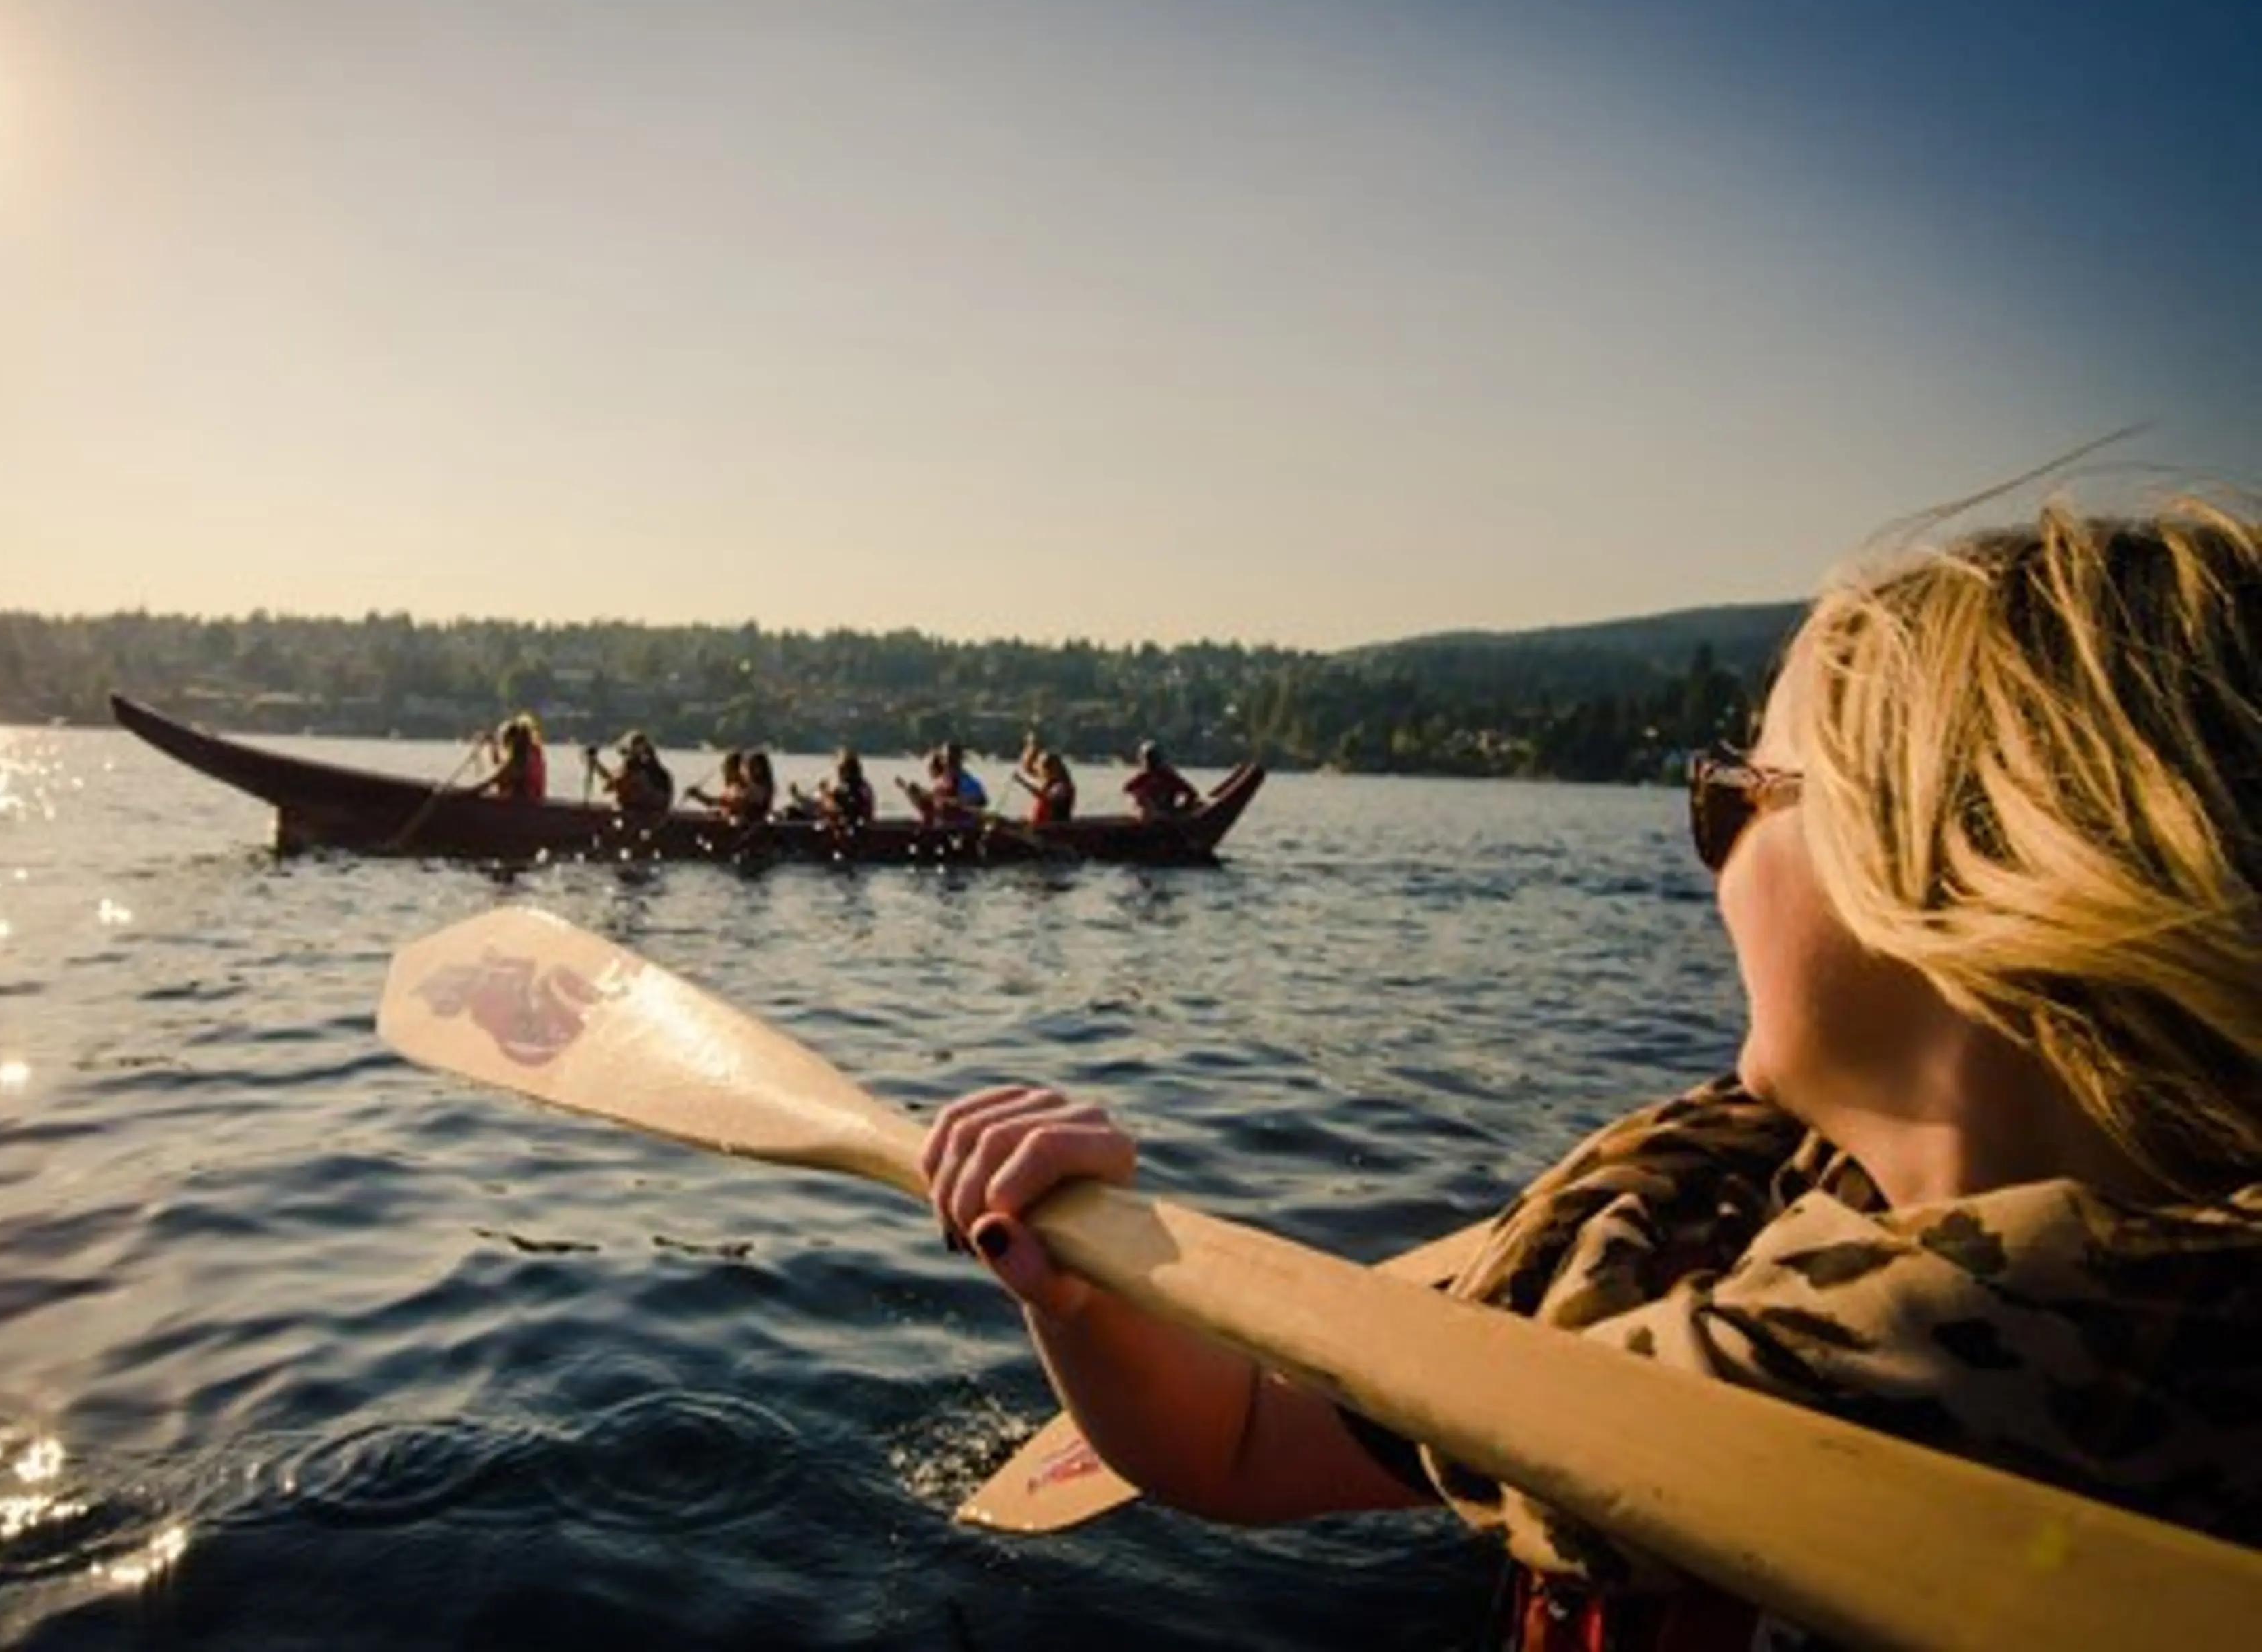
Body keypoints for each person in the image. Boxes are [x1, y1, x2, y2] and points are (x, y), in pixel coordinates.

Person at [922, 504, 2261, 1648]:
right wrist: (1082, 1280)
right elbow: (1242, 1434)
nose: (1711, 848)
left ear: (1951, 868)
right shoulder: (1680, 1224)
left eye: (1737, 794)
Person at [586, 731, 674, 817]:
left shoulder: (642, 765)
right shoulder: (640, 763)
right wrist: (596, 764)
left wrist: (597, 766)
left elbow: (614, 783)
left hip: (650, 808)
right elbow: (613, 778)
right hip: (650, 807)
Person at [790, 748, 876, 830]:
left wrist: (825, 792)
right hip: (849, 822)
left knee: (797, 812)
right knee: (795, 810)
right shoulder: (860, 786)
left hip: (850, 827)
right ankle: (801, 800)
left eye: (840, 769)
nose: (838, 773)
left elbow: (838, 808)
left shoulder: (854, 789)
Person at [475, 712, 545, 801]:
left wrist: (468, 795)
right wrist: (494, 745)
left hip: (521, 805)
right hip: (529, 804)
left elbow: (493, 780)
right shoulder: (533, 754)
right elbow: (498, 765)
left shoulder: (518, 763)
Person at [1122, 741, 1200, 817]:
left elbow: (1192, 794)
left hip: (1167, 814)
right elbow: (1127, 791)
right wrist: (1138, 803)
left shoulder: (1169, 776)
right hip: (1149, 816)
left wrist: (1181, 810)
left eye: (1154, 757)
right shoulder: (1143, 777)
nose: (1152, 761)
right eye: (1150, 758)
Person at [1014, 744, 1076, 824]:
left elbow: (1045, 797)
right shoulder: (1051, 782)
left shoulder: (1062, 786)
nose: (1047, 772)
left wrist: (1022, 782)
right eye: (1046, 768)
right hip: (1042, 823)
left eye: (1049, 768)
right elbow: (1031, 771)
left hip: (1055, 825)